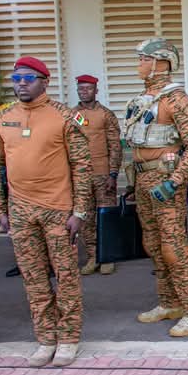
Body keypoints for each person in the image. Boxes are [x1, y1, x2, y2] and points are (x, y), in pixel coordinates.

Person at [0, 57, 92, 367]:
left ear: (44, 81)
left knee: (66, 276)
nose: (21, 83)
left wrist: (80, 211)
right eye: (16, 78)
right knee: (33, 277)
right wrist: (1, 208)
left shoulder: (65, 116)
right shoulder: (3, 117)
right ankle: (46, 338)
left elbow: (82, 166)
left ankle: (69, 338)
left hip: (59, 210)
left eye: (28, 78)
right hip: (20, 211)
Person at [125, 38, 188, 338]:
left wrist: (175, 181)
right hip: (142, 179)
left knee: (174, 248)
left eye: (142, 59)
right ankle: (169, 302)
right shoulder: (141, 100)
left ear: (160, 62)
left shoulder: (177, 100)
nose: (139, 65)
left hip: (165, 181)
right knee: (152, 244)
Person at [72, 74, 122, 276]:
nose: (84, 92)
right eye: (81, 88)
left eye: (88, 88)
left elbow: (115, 146)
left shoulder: (106, 114)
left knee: (106, 216)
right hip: (80, 176)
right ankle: (93, 256)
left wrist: (113, 174)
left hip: (102, 173)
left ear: (96, 90)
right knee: (86, 218)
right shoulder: (72, 115)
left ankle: (109, 257)